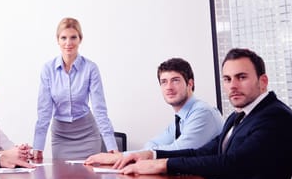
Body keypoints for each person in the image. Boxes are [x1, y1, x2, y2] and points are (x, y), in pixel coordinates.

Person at [92, 48, 292, 179]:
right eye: (227, 79)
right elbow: (203, 152)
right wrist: (150, 156)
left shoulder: (275, 117)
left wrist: (164, 164)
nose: (232, 86)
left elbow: (234, 164)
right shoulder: (240, 116)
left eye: (242, 77)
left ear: (263, 81)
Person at [85, 57, 224, 165]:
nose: (169, 87)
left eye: (175, 80)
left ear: (190, 84)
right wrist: (132, 156)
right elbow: (152, 145)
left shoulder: (202, 113)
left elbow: (178, 151)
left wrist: (118, 157)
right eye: (164, 82)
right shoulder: (180, 118)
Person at [32, 17, 118, 160]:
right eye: (63, 38)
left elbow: (99, 109)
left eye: (73, 37)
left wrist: (111, 146)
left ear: (80, 39)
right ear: (57, 40)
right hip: (61, 137)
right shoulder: (48, 69)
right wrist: (38, 145)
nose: (68, 43)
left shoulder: (91, 68)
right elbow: (44, 112)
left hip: (88, 136)